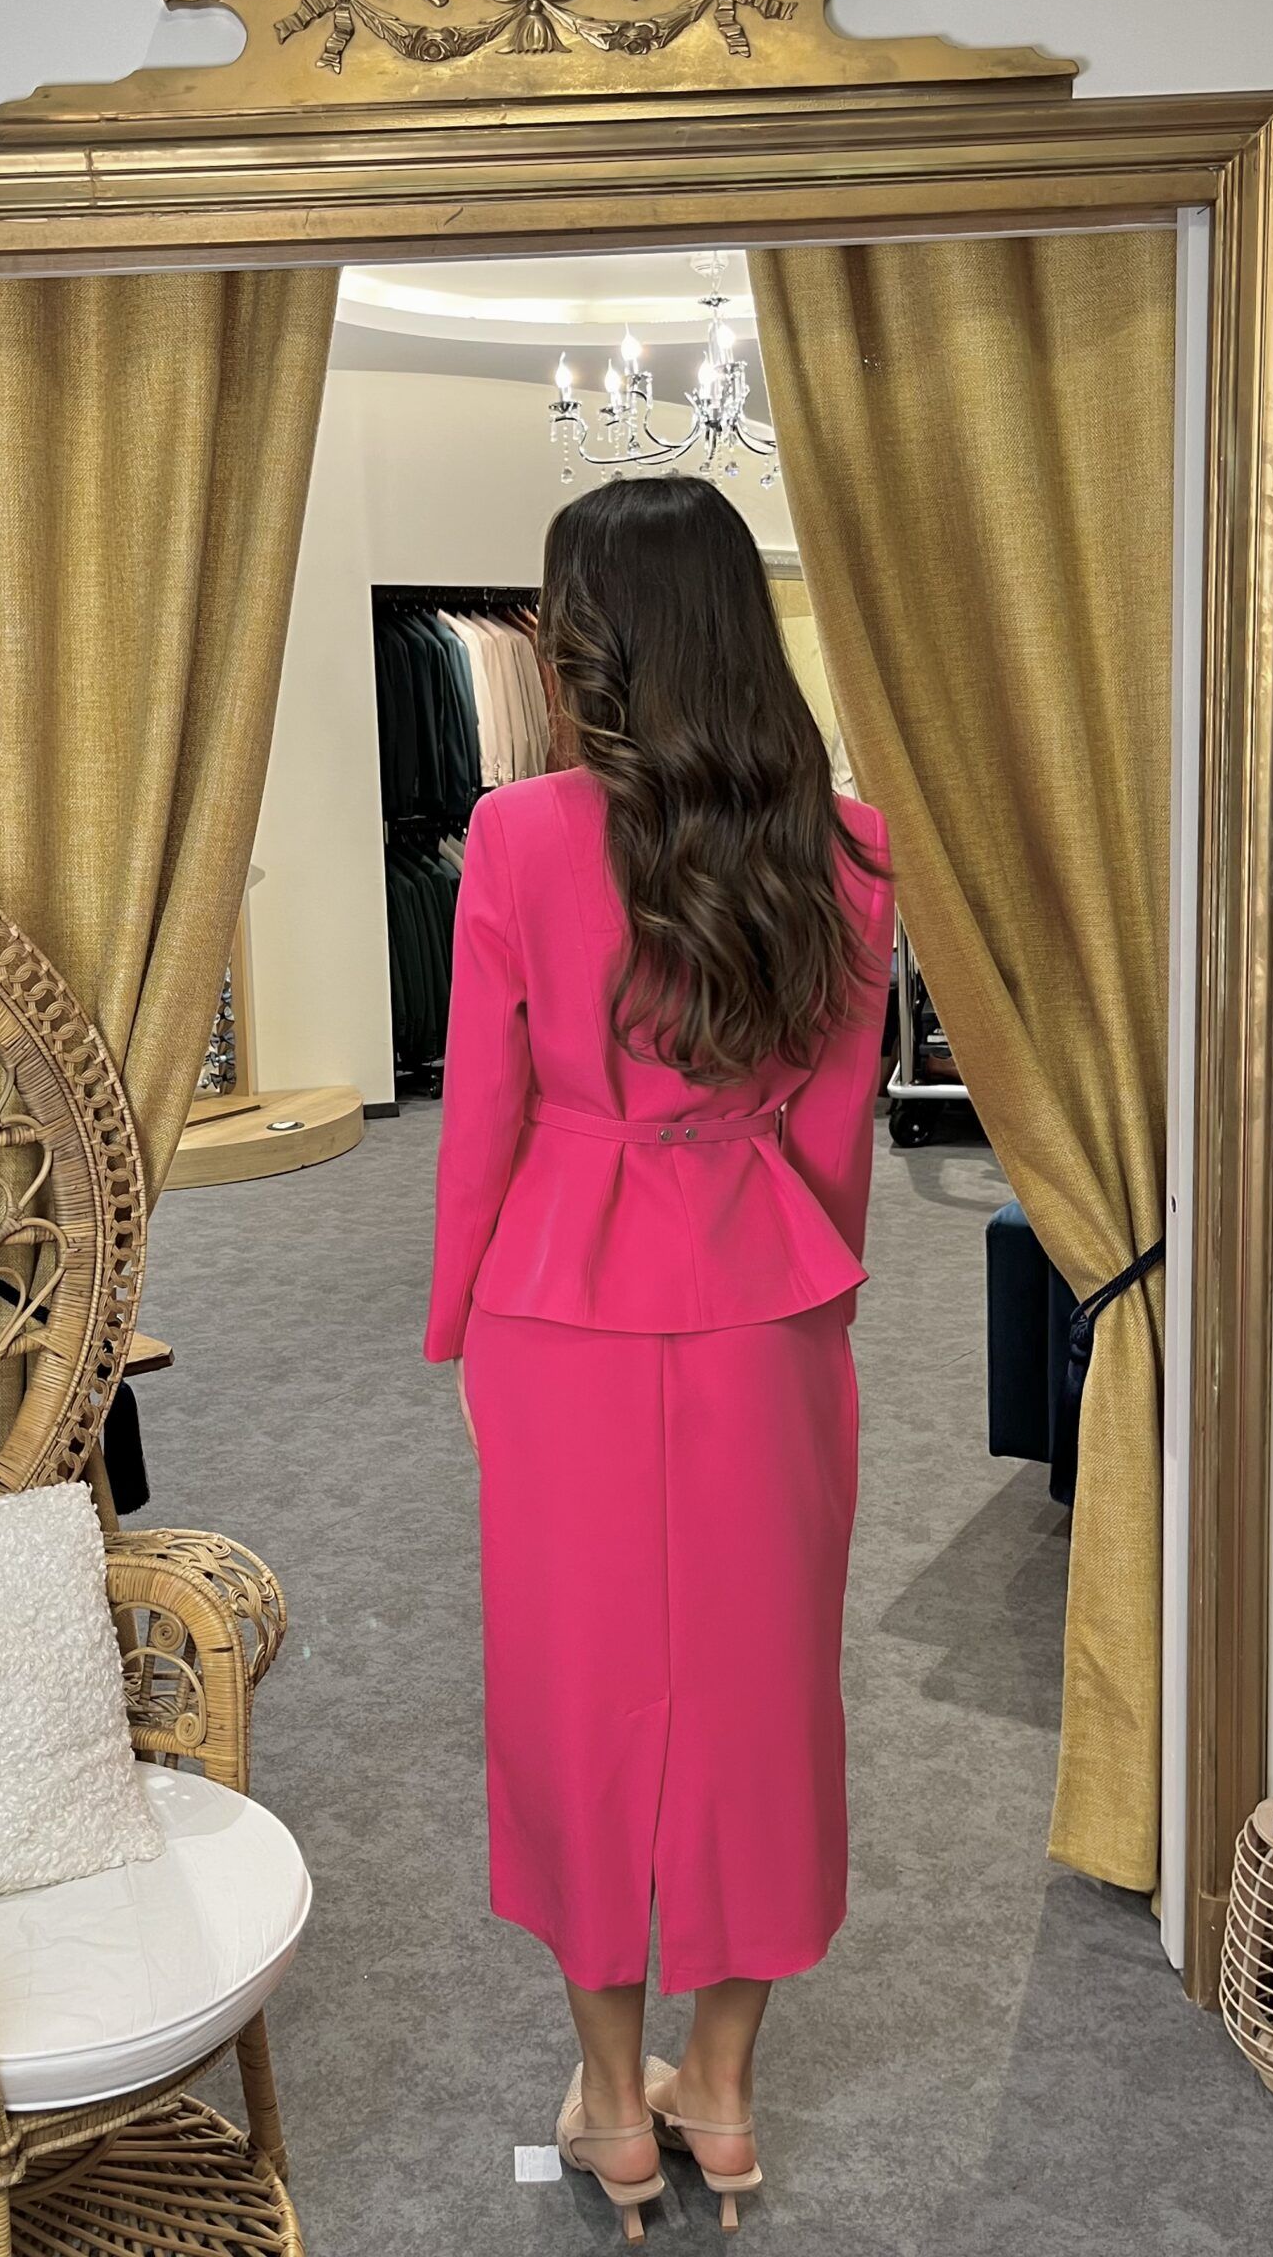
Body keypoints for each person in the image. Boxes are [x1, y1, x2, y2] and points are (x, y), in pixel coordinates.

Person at [424, 474, 893, 2239]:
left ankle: (618, 2110)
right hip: (768, 1293)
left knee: (580, 1694)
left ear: (592, 640)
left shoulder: (520, 835)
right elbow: (834, 1136)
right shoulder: (848, 850)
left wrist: (462, 1321)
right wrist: (810, 1297)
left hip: (559, 1301)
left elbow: (481, 1117)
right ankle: (730, 2091)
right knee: (766, 1693)